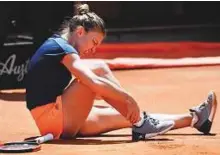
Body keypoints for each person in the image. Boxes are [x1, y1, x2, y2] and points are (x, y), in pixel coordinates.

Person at [25, 4, 218, 141]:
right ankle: (141, 122)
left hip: (59, 116)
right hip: (54, 119)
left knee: (129, 117)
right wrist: (126, 98)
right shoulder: (61, 47)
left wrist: (123, 103)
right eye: (94, 43)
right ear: (80, 32)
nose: (93, 49)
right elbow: (91, 81)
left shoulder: (60, 45)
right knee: (97, 70)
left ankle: (195, 119)